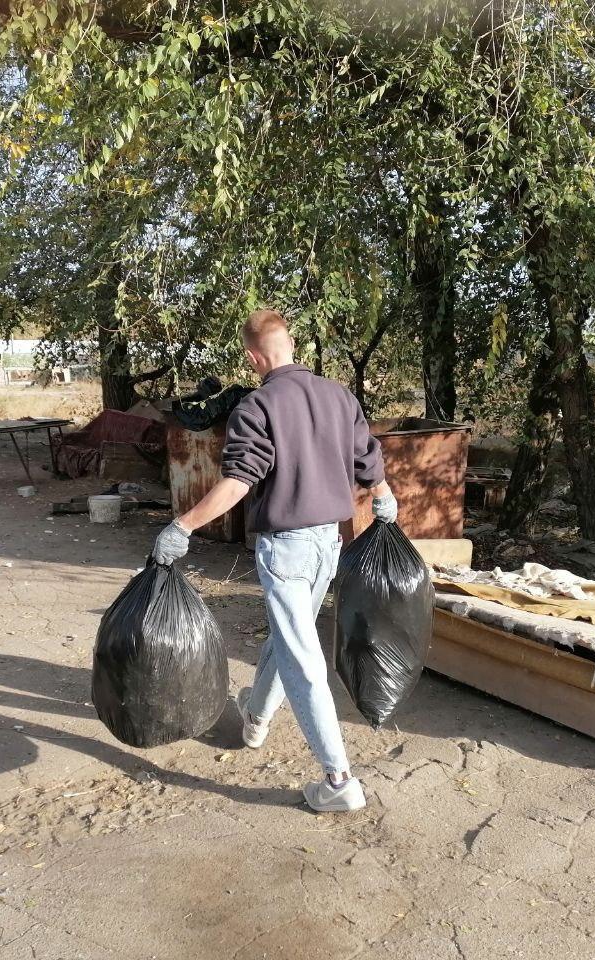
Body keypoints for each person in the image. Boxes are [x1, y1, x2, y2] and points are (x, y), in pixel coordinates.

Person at [152, 308, 397, 813]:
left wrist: (183, 526)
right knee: (289, 637)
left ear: (252, 357)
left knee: (301, 656)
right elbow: (368, 460)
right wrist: (384, 496)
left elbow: (238, 482)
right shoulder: (339, 396)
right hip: (329, 543)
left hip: (287, 547)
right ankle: (257, 718)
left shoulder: (257, 406)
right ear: (291, 345)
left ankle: (338, 779)